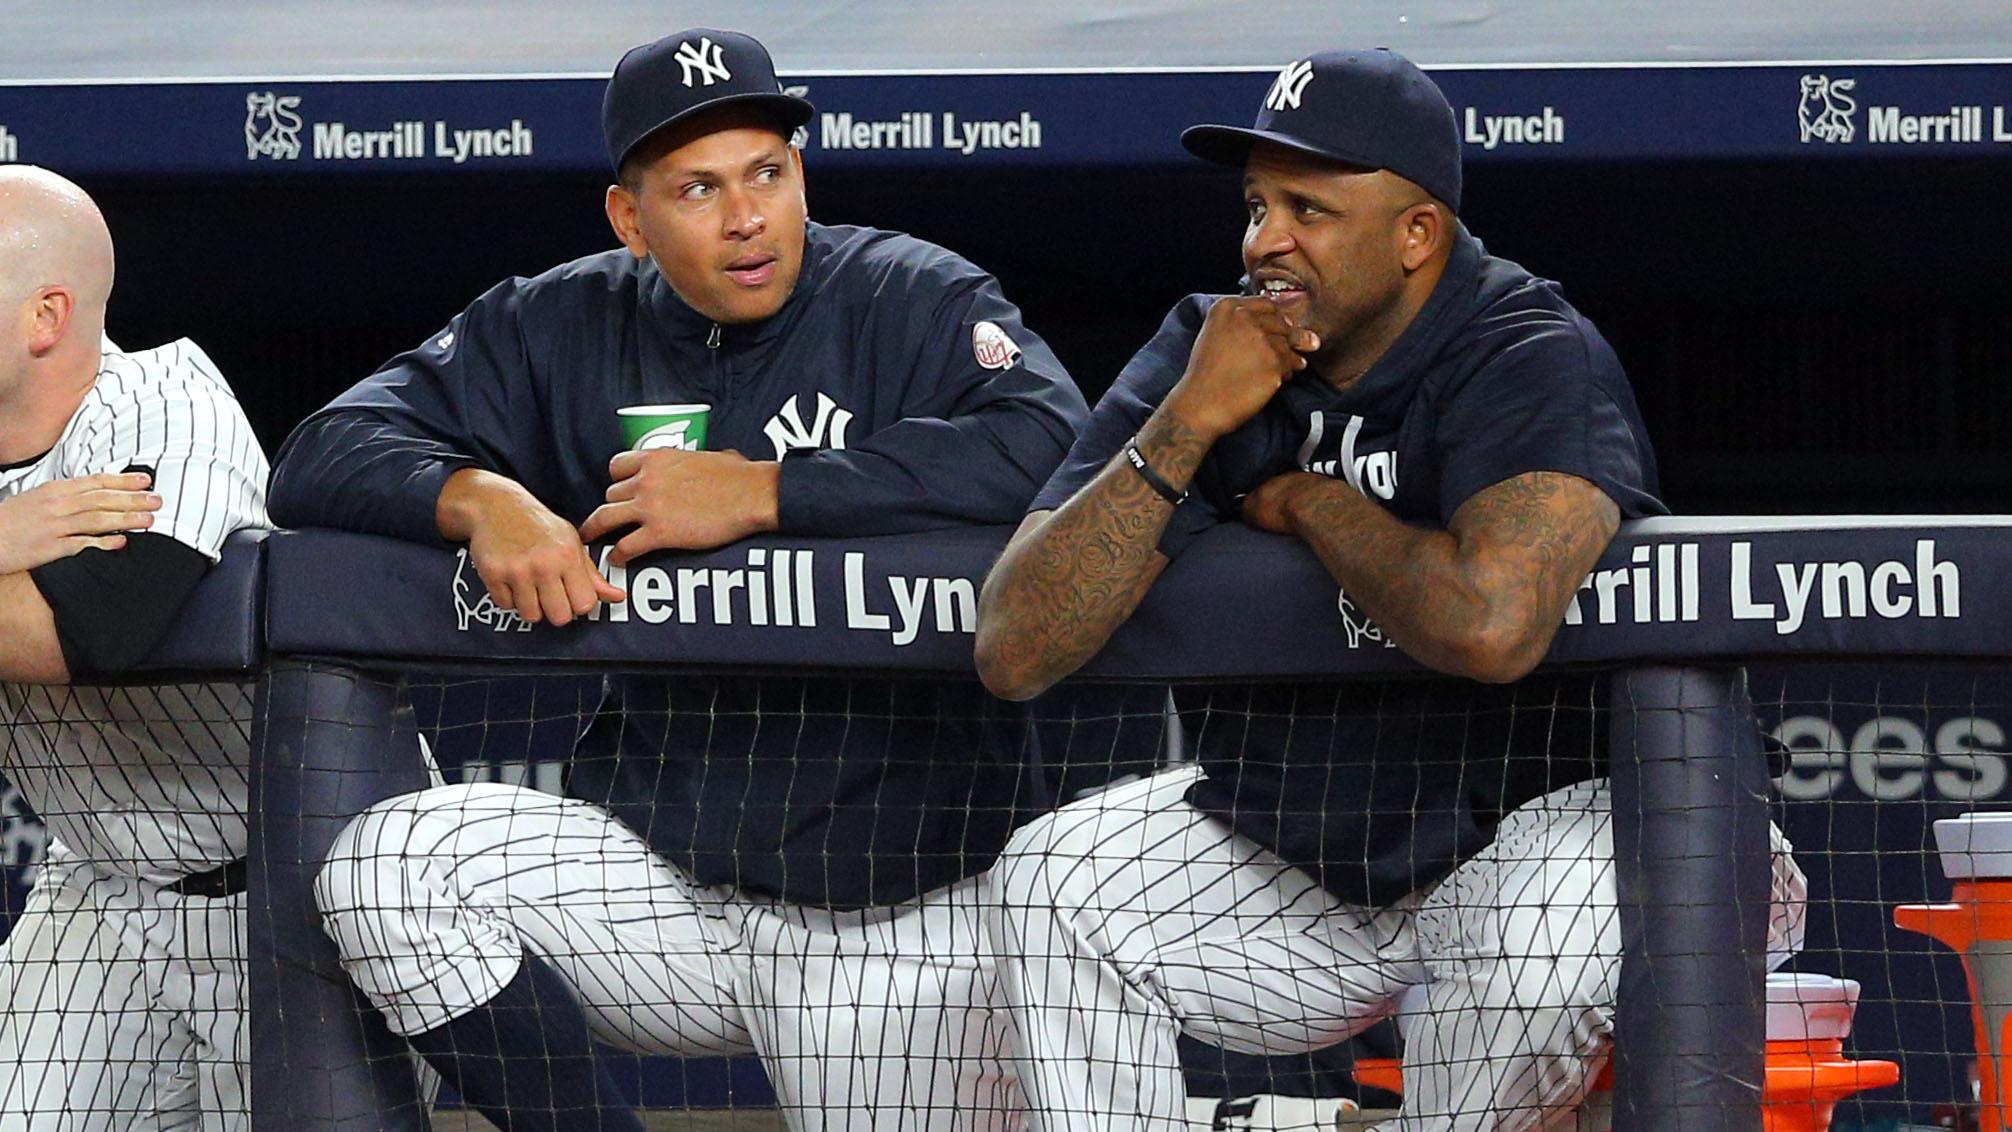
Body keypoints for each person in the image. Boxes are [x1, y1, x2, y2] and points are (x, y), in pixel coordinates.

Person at [266, 28, 1088, 1132]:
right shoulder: (558, 321)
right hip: (657, 890)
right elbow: (322, 450)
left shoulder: (906, 296)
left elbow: (1053, 443)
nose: (746, 216)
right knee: (387, 866)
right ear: (630, 219)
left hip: (891, 919)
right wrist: (477, 496)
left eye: (768, 173)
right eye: (697, 188)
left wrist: (768, 492)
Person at [973, 49, 1806, 1131]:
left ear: (1417, 235)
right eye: (1256, 204)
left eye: (1308, 208)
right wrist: (1184, 425)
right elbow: (1015, 646)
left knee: (1534, 949)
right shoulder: (1209, 348)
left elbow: (1490, 623)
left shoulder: (1522, 346)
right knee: (1056, 880)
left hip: (1570, 836)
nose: (1263, 240)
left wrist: (1311, 504)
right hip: (1315, 847)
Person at [0, 166, 268, 1130]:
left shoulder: (162, 401)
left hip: (286, 881)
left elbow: (95, 626)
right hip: (102, 881)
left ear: (45, 317)